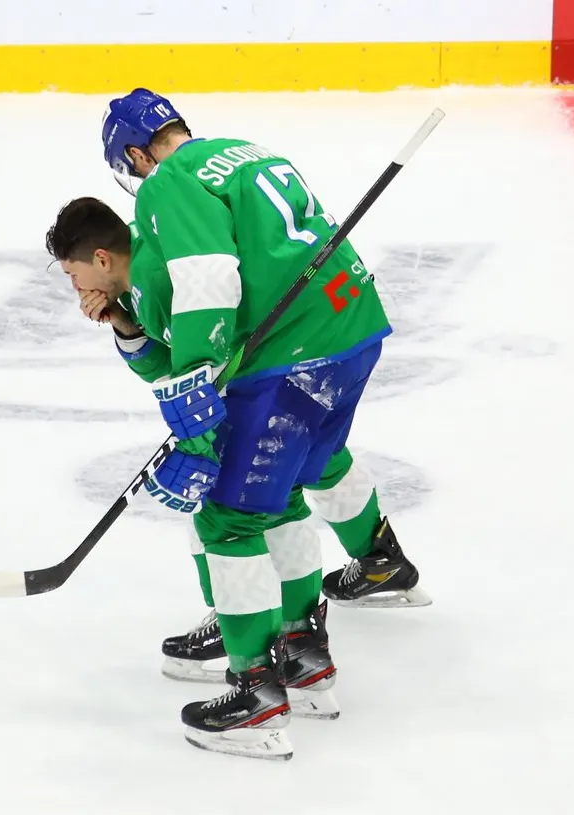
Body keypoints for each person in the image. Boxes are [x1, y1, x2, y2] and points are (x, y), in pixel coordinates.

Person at [43, 89, 425, 760]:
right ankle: (303, 657)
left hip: (294, 354)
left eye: (128, 168)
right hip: (351, 332)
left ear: (137, 154)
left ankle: (256, 694)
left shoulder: (170, 182)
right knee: (283, 494)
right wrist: (136, 331)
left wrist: (196, 393)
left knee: (227, 519)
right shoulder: (241, 153)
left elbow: (209, 281)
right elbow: (222, 288)